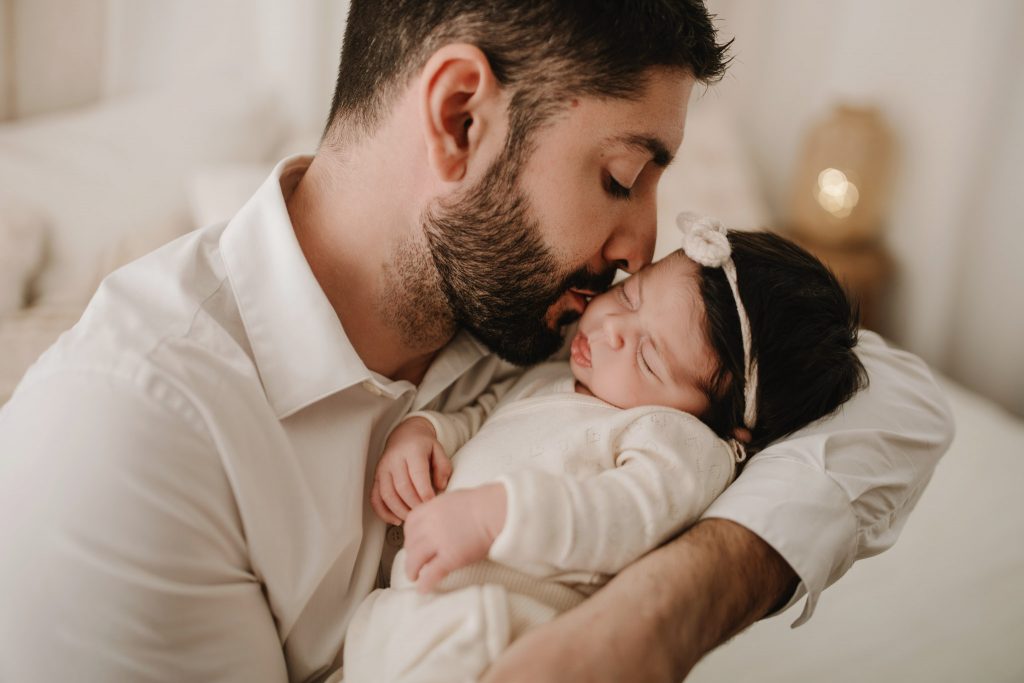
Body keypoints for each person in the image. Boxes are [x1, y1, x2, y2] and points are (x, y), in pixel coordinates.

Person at [0, 2, 952, 682]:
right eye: (622, 176)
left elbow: (896, 393)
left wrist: (657, 617)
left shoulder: (548, 319)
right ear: (460, 117)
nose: (642, 253)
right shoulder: (125, 437)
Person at [342, 217, 868, 682]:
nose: (613, 329)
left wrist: (499, 516)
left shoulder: (678, 441)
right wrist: (425, 434)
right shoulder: (550, 379)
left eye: (649, 359)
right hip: (402, 613)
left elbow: (624, 517)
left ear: (730, 429)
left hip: (497, 627)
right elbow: (480, 419)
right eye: (630, 296)